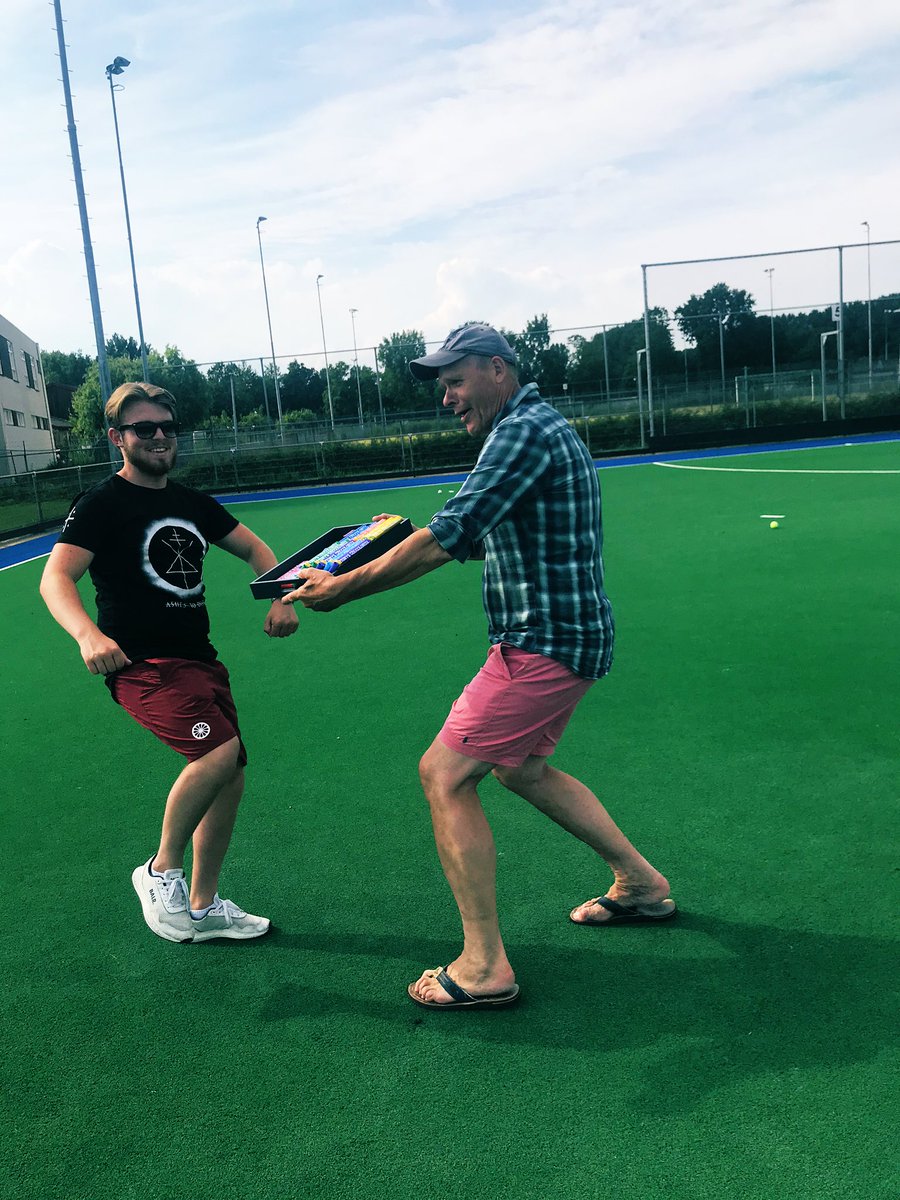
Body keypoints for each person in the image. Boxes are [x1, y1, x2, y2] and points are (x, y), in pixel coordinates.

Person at [283, 321, 675, 1009]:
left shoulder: (522, 432)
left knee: (444, 774)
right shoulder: (530, 428)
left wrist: (343, 587)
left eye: (456, 381)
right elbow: (477, 530)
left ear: (498, 370)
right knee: (520, 768)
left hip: (543, 641)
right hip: (562, 638)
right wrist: (387, 541)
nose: (448, 397)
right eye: (442, 386)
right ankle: (640, 883)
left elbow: (451, 536)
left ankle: (484, 965)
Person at [40, 381, 299, 944]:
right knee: (217, 751)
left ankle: (202, 908)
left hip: (199, 661)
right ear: (117, 438)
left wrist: (279, 595)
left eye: (166, 428)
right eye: (144, 429)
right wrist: (87, 635)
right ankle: (160, 873)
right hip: (140, 664)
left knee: (229, 775)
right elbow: (55, 577)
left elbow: (257, 550)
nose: (159, 437)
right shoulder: (101, 504)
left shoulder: (191, 504)